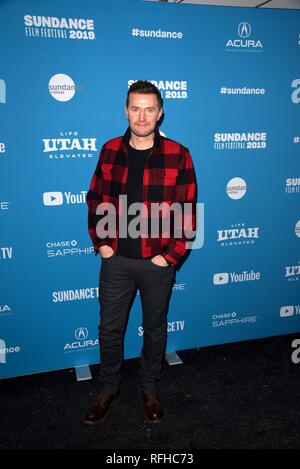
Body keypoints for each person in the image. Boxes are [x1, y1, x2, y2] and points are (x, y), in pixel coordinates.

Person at [85, 80, 197, 424]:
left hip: (157, 263)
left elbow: (188, 210)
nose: (142, 116)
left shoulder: (178, 154)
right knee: (109, 330)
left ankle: (149, 388)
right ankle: (109, 389)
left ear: (160, 113)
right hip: (115, 261)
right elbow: (96, 199)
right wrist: (101, 244)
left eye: (149, 109)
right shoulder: (109, 150)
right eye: (136, 108)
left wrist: (171, 257)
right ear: (126, 110)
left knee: (155, 329)